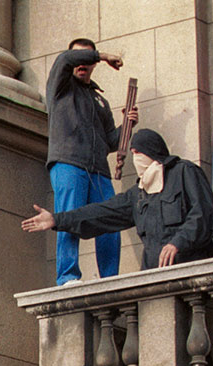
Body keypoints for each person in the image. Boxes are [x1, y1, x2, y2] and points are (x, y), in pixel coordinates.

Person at [21, 129, 213, 270]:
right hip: (157, 276)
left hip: (192, 271)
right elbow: (101, 213)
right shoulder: (138, 194)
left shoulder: (184, 172)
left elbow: (204, 215)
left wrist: (178, 242)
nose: (135, 159)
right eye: (132, 154)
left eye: (138, 153)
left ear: (152, 152)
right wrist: (57, 220)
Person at [45, 38, 139, 286]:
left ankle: (109, 277)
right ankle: (67, 276)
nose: (83, 63)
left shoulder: (100, 100)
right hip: (68, 163)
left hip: (98, 170)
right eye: (80, 57)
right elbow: (65, 59)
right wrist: (102, 55)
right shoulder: (61, 86)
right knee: (68, 216)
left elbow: (111, 142)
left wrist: (127, 125)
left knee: (110, 219)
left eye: (88, 59)